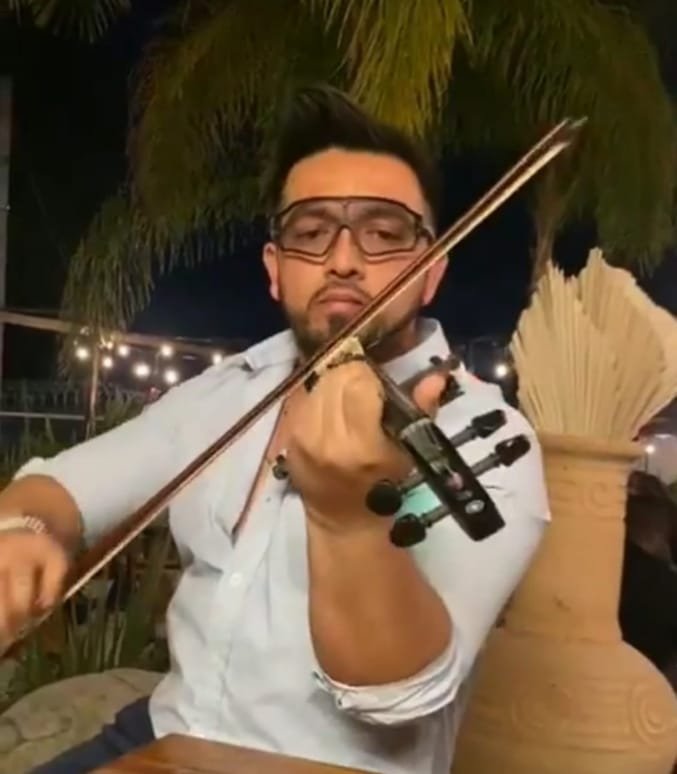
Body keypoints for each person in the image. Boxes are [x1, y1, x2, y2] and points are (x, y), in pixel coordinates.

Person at [0, 86, 550, 774]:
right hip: (158, 742)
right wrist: (23, 536)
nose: (344, 260)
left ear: (430, 271)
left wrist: (348, 521)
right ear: (275, 270)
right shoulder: (226, 391)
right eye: (311, 232)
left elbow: (399, 694)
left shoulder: (489, 438)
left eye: (383, 234)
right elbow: (57, 488)